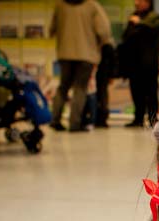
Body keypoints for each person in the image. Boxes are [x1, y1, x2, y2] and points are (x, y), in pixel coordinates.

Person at [49, 0, 112, 132]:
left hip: (65, 53)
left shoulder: (60, 5)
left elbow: (51, 29)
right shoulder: (92, 6)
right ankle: (75, 123)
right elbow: (104, 31)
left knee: (63, 87)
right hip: (86, 54)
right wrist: (102, 44)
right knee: (80, 88)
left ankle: (55, 120)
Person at [120, 0, 159, 128]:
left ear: (148, 3)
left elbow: (154, 31)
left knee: (151, 93)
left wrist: (140, 24)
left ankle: (152, 119)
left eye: (140, 0)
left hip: (149, 63)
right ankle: (138, 119)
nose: (137, 2)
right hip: (134, 63)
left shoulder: (155, 17)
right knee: (136, 92)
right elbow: (126, 36)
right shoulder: (133, 17)